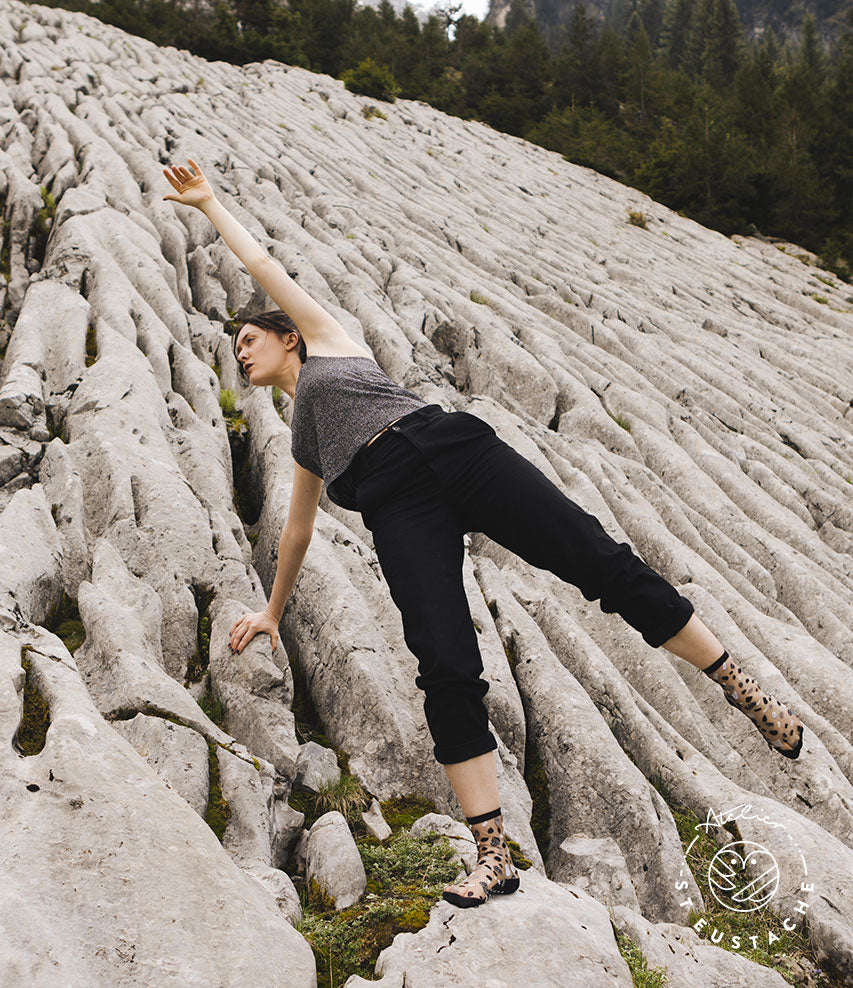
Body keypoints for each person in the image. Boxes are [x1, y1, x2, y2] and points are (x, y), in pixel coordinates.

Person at [162, 159, 805, 909]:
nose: (241, 351)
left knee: (599, 561)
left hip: (451, 450)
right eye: (235, 347)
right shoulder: (304, 438)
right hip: (397, 506)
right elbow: (297, 531)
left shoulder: (327, 339)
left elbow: (262, 262)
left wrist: (209, 204)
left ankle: (737, 685)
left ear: (286, 338)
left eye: (249, 337)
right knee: (443, 662)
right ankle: (492, 853)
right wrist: (272, 610)